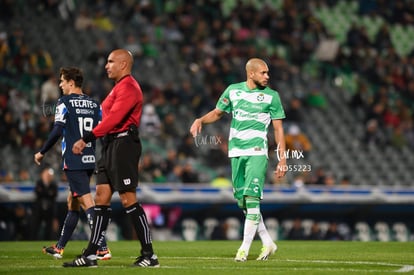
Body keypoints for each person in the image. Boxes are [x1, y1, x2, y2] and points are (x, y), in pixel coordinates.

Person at [65, 49, 159, 268]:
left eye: (110, 62)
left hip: (124, 144)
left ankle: (149, 255)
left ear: (124, 64)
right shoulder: (118, 88)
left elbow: (115, 118)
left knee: (128, 198)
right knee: (101, 197)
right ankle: (91, 254)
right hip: (110, 145)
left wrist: (86, 138)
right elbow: (105, 117)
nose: (106, 65)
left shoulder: (129, 87)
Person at [190, 58, 287, 262]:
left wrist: (282, 158)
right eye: (263, 73)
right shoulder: (233, 91)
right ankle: (268, 243)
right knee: (243, 202)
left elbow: (278, 129)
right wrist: (200, 120)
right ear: (251, 73)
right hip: (235, 152)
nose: (267, 76)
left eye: (268, 73)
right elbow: (217, 113)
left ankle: (243, 249)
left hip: (257, 152)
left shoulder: (272, 97)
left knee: (252, 199)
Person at [34, 67, 110, 260]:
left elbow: (57, 130)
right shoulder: (94, 104)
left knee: (86, 201)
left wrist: (42, 152)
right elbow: (102, 130)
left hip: (74, 159)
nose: (60, 85)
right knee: (73, 202)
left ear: (70, 82)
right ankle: (59, 247)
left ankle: (102, 247)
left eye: (61, 81)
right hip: (89, 158)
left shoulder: (64, 102)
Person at [32, 167, 58, 240]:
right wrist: (48, 193)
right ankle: (33, 240)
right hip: (39, 209)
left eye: (49, 175)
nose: (48, 176)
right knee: (36, 226)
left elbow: (54, 195)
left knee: (49, 228)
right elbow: (37, 193)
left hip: (50, 209)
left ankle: (48, 240)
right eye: (46, 175)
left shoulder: (53, 184)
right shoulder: (39, 182)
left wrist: (43, 192)